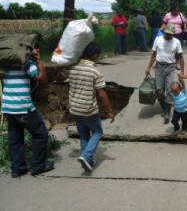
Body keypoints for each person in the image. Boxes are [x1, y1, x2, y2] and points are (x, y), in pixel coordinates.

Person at [56, 42, 115, 172]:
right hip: (89, 110)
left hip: (75, 108)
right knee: (98, 132)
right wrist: (110, 111)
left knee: (83, 135)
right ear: (95, 55)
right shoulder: (95, 71)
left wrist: (62, 66)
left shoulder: (72, 68)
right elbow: (102, 94)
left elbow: (59, 79)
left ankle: (87, 162)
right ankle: (86, 155)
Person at [2, 46, 54, 178]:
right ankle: (37, 166)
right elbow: (42, 79)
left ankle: (17, 168)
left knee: (15, 137)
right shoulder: (26, 63)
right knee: (41, 134)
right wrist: (38, 60)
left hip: (8, 106)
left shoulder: (5, 64)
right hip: (22, 107)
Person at [146, 23, 184, 123]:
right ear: (164, 32)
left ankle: (167, 112)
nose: (169, 36)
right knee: (159, 91)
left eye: (171, 34)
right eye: (167, 34)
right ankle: (165, 108)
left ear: (173, 34)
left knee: (170, 90)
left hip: (171, 67)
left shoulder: (177, 42)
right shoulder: (158, 40)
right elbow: (153, 55)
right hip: (159, 67)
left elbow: (181, 57)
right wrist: (148, 68)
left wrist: (182, 72)